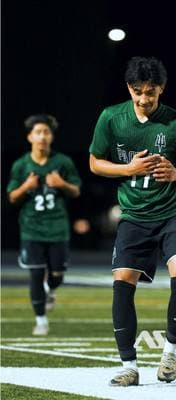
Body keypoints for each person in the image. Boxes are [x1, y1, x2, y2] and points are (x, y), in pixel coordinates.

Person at [89, 56, 176, 386]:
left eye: (150, 92)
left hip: (173, 211)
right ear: (129, 88)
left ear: (161, 89)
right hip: (134, 215)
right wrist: (127, 170)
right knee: (122, 284)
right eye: (137, 91)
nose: (143, 99)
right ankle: (129, 366)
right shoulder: (111, 118)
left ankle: (170, 353)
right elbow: (95, 162)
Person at [6, 114, 81, 336]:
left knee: (57, 275)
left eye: (46, 132)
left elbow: (76, 190)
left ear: (52, 136)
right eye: (38, 132)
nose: (42, 136)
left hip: (57, 227)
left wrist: (61, 184)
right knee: (36, 275)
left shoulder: (63, 162)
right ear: (30, 137)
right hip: (31, 228)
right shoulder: (21, 165)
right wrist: (26, 185)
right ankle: (41, 320)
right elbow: (11, 197)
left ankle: (50, 290)